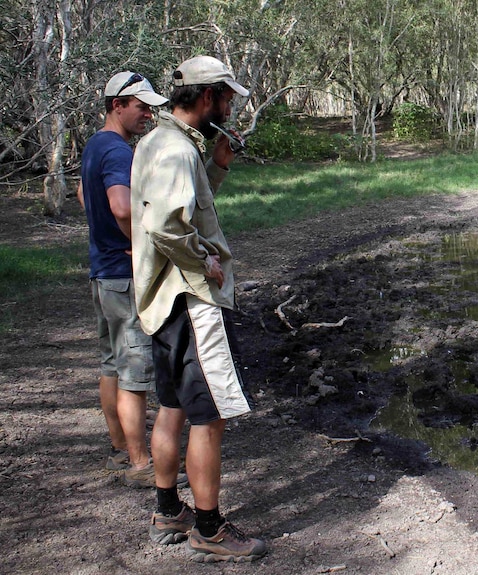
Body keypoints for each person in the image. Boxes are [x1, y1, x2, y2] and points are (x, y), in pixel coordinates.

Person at [130, 55, 266, 562]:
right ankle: (208, 530)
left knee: (173, 406)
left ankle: (168, 511)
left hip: (162, 303)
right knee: (210, 417)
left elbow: (190, 207)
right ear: (207, 96)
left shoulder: (163, 141)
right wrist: (204, 260)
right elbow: (167, 225)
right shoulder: (175, 150)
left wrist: (220, 163)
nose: (229, 107)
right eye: (227, 98)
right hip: (191, 301)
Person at [77, 71, 169, 488]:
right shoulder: (118, 151)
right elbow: (121, 206)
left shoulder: (95, 145)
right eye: (141, 106)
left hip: (102, 272)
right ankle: (139, 462)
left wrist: (105, 236)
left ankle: (119, 448)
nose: (148, 114)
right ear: (117, 104)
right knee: (136, 372)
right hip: (123, 274)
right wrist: (145, 237)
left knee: (111, 364)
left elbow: (83, 195)